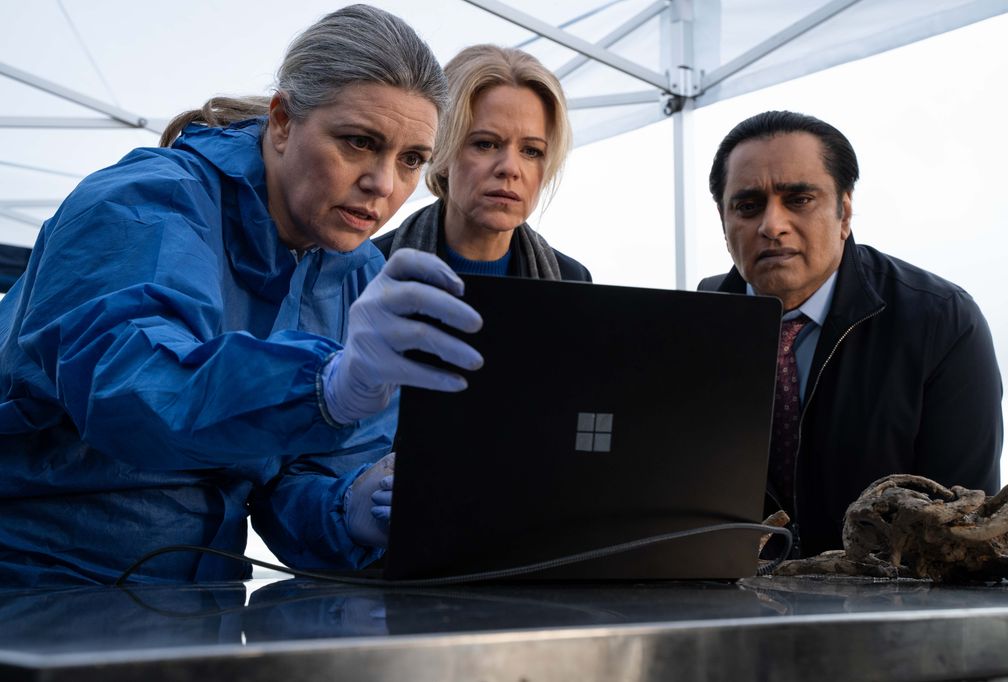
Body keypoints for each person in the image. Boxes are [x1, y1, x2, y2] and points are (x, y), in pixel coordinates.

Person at [0, 5, 485, 586]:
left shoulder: (356, 272)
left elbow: (292, 485)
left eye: (411, 160)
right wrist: (319, 387)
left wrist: (354, 505)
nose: (384, 184)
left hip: (202, 600)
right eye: (358, 142)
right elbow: (127, 390)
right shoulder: (144, 204)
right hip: (34, 586)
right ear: (282, 121)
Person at [698, 110, 1002, 558]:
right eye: (748, 206)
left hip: (882, 615)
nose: (772, 225)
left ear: (845, 212)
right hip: (727, 609)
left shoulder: (941, 321)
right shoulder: (695, 325)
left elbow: (964, 526)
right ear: (724, 225)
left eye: (798, 199)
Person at [374, 44, 590, 281]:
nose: (509, 168)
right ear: (440, 151)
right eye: (486, 144)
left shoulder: (573, 279)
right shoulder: (367, 270)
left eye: (531, 151)